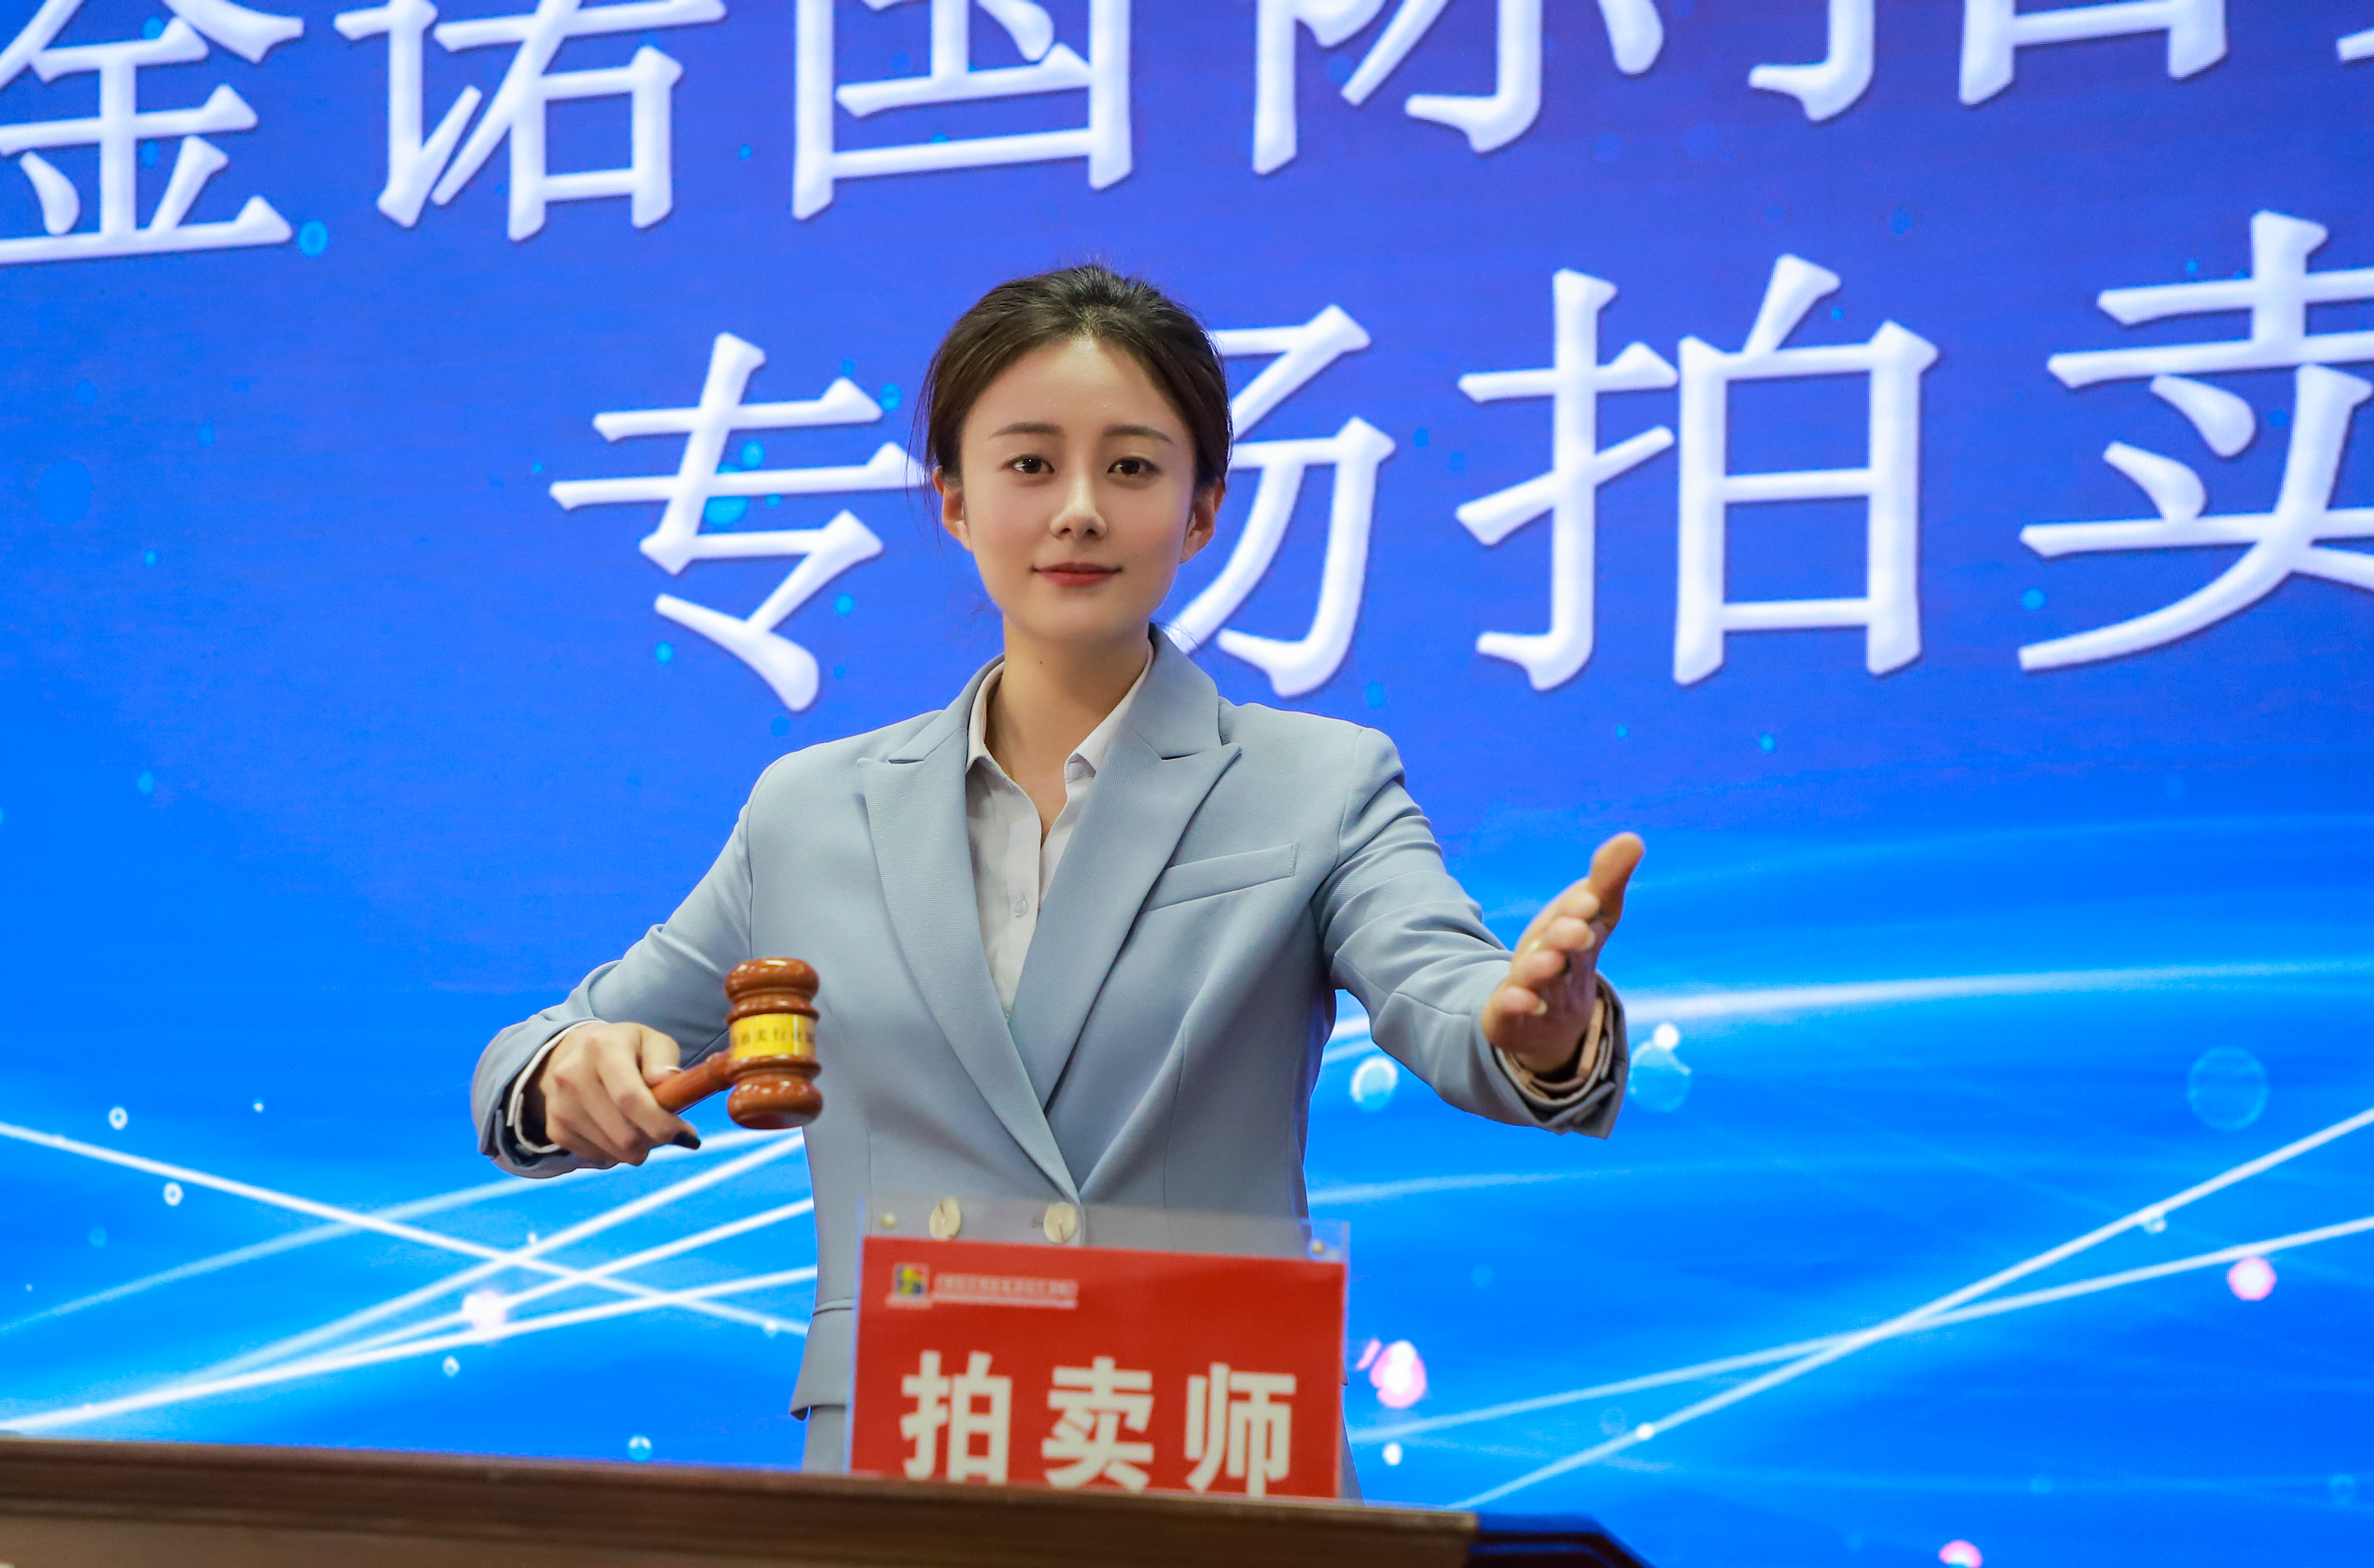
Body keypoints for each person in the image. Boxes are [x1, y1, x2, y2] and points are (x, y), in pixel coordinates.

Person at [473, 265, 1643, 1474]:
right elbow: (531, 1061)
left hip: (1213, 1450)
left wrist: (1539, 1027)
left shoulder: (1320, 782)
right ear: (954, 500)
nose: (1079, 510)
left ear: (1202, 511)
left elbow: (1448, 992)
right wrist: (572, 1071)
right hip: (907, 1460)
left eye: (1131, 468)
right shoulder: (812, 812)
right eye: (1030, 464)